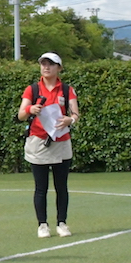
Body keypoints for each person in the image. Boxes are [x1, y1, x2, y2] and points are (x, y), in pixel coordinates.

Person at [17, 52, 79, 238]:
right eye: (43, 64)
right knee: (40, 187)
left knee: (61, 186)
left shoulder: (67, 90)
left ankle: (62, 223)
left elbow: (75, 114)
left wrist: (70, 120)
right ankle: (42, 224)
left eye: (51, 64)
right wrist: (30, 109)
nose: (46, 67)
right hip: (38, 142)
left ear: (59, 67)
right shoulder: (32, 89)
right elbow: (21, 114)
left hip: (61, 142)